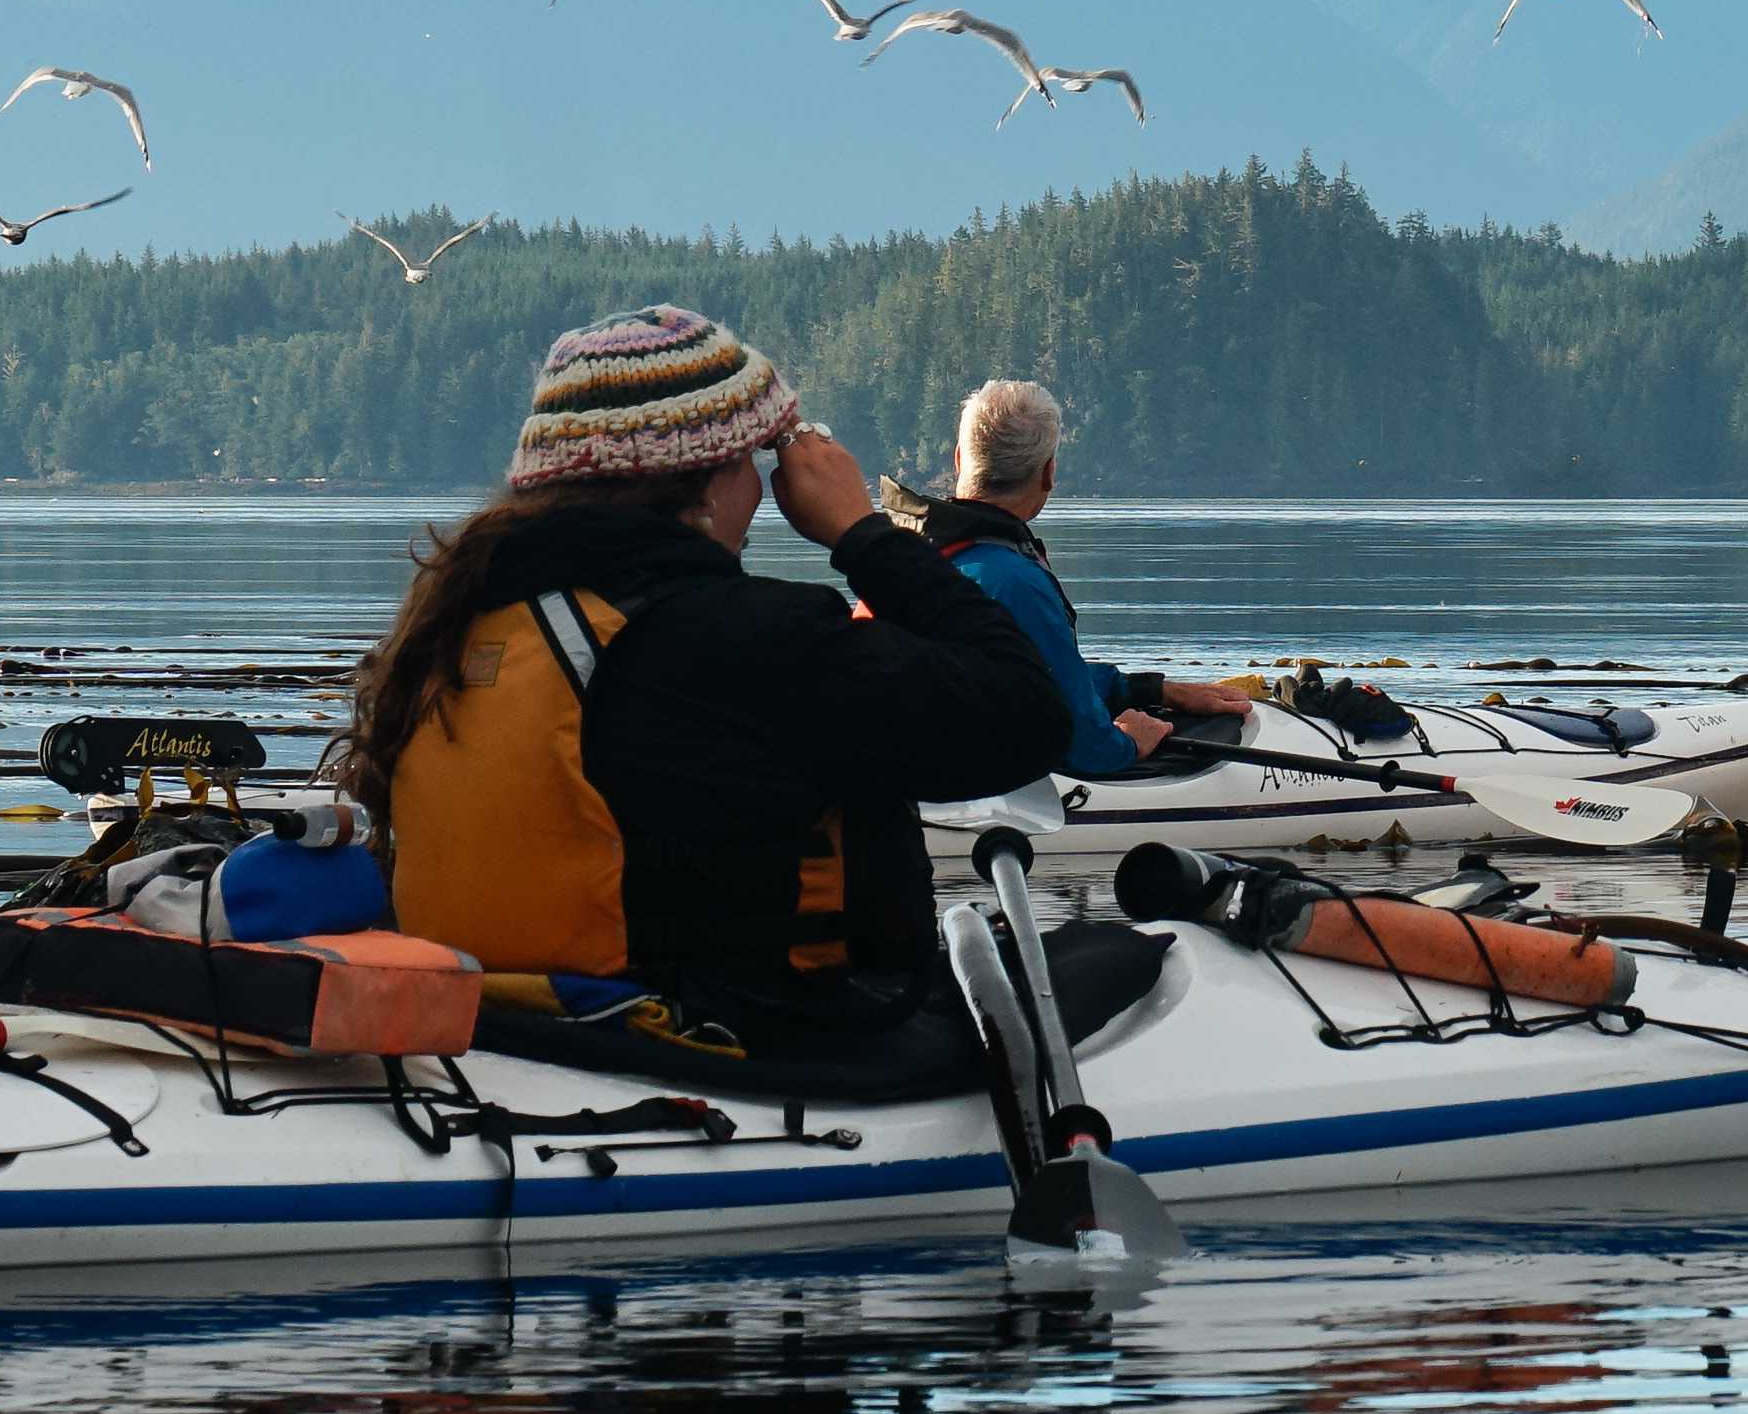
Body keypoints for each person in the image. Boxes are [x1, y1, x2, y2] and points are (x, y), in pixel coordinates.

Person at [345, 304, 1074, 1049]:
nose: (763, 493)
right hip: (760, 1044)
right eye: (757, 463)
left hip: (510, 1026)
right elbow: (1027, 718)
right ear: (706, 482)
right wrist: (864, 535)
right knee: (1117, 963)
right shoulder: (752, 639)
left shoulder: (460, 622)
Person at [905, 378, 1260, 777]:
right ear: (1048, 473)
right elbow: (1085, 748)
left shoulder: (908, 558)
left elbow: (1027, 677)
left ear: (957, 459)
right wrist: (1130, 738)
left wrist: (1148, 690)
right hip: (954, 789)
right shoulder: (1015, 581)